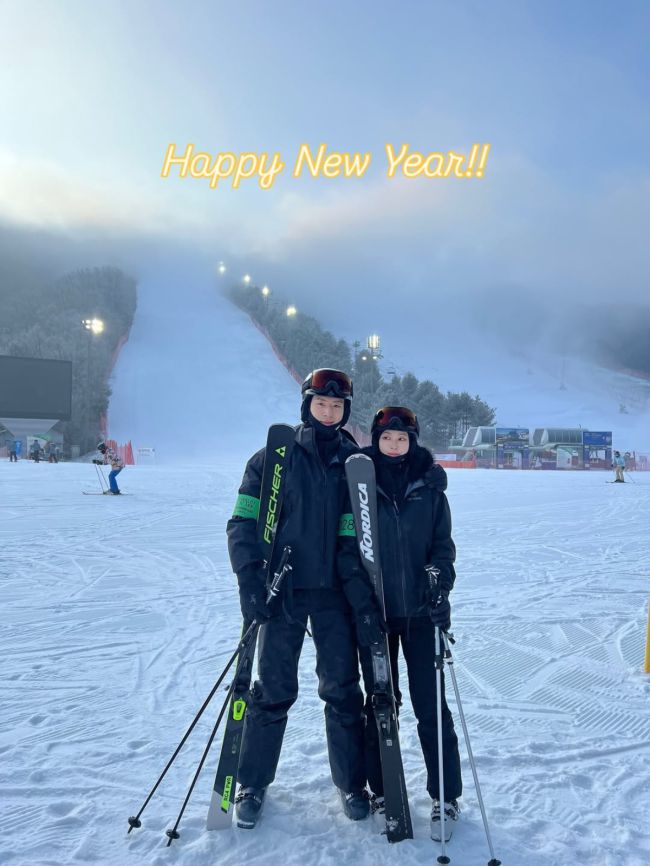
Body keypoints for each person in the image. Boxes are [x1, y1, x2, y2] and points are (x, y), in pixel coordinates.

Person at [227, 369, 368, 829]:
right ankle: (252, 782)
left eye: (337, 406)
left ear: (345, 410)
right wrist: (250, 580)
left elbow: (364, 530)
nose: (328, 412)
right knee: (272, 689)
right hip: (282, 590)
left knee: (342, 689)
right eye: (321, 404)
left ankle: (351, 782)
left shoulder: (355, 462)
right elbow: (243, 521)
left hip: (335, 595)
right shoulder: (274, 457)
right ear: (307, 405)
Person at [338, 405, 463, 842]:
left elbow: (443, 548)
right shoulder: (357, 486)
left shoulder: (429, 489)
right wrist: (363, 605)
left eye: (402, 438)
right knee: (381, 705)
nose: (394, 445)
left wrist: (439, 585)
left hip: (421, 616)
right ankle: (382, 788)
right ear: (375, 440)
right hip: (377, 615)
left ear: (413, 441)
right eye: (386, 438)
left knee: (431, 707)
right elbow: (347, 553)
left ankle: (445, 795)